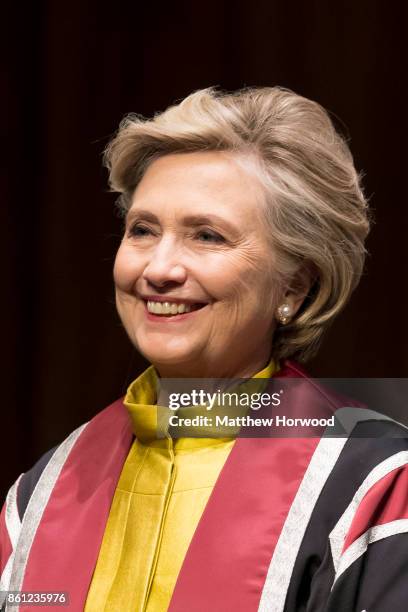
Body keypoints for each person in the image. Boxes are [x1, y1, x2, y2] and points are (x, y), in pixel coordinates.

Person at [1, 87, 407, 612]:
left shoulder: (374, 486)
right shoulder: (42, 491)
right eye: (143, 230)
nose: (158, 269)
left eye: (208, 237)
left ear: (295, 286)